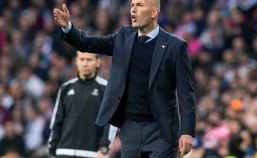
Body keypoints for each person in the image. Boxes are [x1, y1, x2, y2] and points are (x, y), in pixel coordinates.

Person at [53, 0, 196, 157]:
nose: (133, 9)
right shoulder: (123, 37)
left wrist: (187, 131)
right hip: (130, 128)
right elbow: (87, 44)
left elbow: (186, 93)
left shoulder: (175, 46)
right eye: (132, 5)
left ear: (154, 12)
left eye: (140, 5)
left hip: (161, 130)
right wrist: (68, 27)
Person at [48, 52, 110, 158]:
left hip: (92, 153)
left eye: (89, 60)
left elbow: (110, 122)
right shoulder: (65, 87)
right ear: (76, 62)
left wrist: (104, 148)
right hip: (63, 151)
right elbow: (57, 120)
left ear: (98, 62)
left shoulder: (105, 89)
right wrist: (52, 148)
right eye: (82, 59)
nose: (85, 63)